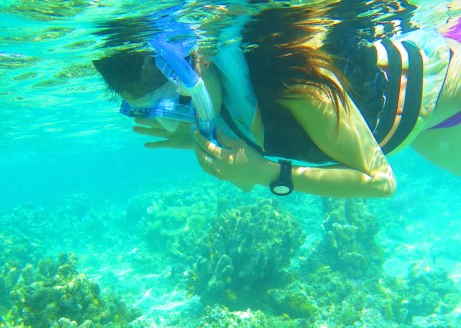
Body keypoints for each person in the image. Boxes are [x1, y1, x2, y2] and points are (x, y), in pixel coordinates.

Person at [93, 4, 461, 198]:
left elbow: (380, 182)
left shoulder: (290, 80)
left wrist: (266, 173)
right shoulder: (222, 99)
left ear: (199, 61)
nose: (176, 120)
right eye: (152, 111)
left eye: (181, 103)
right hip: (423, 129)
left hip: (446, 82)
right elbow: (244, 172)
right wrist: (217, 146)